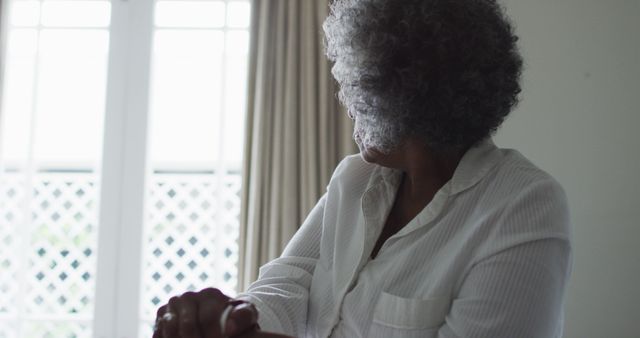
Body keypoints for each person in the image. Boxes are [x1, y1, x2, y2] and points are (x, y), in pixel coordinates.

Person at [153, 0, 572, 337]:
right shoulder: (353, 180)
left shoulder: (523, 205)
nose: (347, 101)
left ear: (404, 96)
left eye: (356, 84)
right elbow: (289, 285)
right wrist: (229, 320)